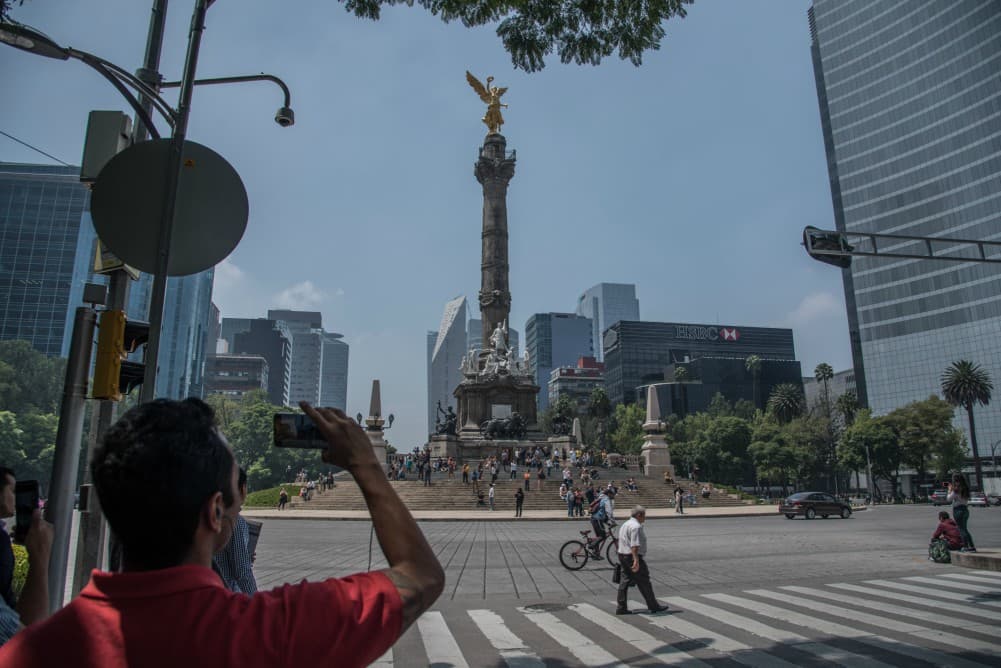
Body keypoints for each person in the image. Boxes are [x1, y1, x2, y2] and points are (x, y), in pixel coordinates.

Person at [0, 398, 445, 667]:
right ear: (215, 512)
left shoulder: (26, 653)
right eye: (236, 491)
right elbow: (420, 575)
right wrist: (366, 464)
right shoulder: (270, 633)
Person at [616, 505, 669, 615]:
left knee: (624, 581)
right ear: (639, 515)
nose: (645, 518)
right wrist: (636, 560)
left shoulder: (625, 524)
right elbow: (634, 545)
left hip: (622, 555)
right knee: (644, 581)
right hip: (632, 556)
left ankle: (621, 607)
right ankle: (653, 606)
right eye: (644, 516)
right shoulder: (636, 526)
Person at [213, 468, 258, 594]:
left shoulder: (209, 517)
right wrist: (256, 601)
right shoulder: (235, 522)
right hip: (228, 594)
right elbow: (242, 571)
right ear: (243, 489)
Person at [947, 474, 976, 552]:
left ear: (956, 481)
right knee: (965, 529)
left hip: (958, 510)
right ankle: (972, 546)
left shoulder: (956, 489)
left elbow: (949, 499)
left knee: (961, 529)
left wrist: (949, 490)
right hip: (965, 509)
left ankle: (965, 546)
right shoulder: (965, 488)